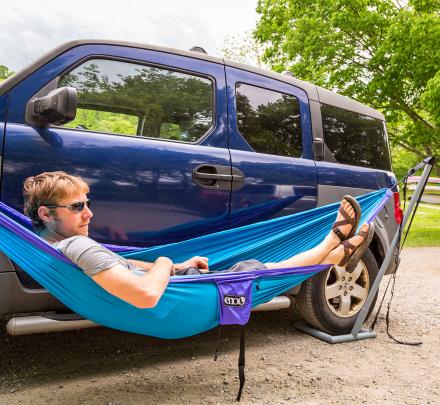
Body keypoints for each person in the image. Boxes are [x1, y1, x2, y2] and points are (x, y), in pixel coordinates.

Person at [23, 171, 372, 309]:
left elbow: (125, 265)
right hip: (193, 296)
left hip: (187, 282)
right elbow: (144, 295)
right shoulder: (79, 245)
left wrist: (176, 264)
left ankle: (334, 250)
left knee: (260, 270)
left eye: (88, 203)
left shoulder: (54, 243)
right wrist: (163, 264)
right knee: (263, 272)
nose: (89, 213)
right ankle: (332, 243)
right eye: (78, 206)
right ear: (45, 214)